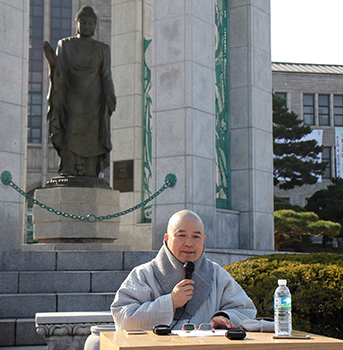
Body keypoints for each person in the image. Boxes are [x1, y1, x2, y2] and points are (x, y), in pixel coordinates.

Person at [111, 210, 256, 330]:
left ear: (203, 240)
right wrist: (170, 302)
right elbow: (122, 317)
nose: (189, 243)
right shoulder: (144, 274)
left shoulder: (218, 275)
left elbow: (246, 311)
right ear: (167, 239)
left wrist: (224, 317)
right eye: (181, 236)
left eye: (196, 237)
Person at [43, 6, 116, 177]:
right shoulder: (65, 45)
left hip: (94, 100)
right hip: (71, 98)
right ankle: (68, 168)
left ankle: (90, 171)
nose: (87, 25)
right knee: (70, 132)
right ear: (77, 24)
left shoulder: (102, 49)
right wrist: (53, 62)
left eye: (91, 23)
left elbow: (106, 76)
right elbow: (61, 71)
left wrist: (110, 95)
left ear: (95, 25)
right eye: (83, 22)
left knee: (93, 138)